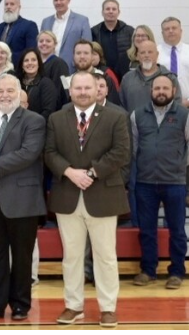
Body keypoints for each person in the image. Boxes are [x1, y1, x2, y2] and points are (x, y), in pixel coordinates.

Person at [44, 71, 130, 329]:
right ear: (70, 91)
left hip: (102, 193)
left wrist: (92, 172)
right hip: (67, 195)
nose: (82, 92)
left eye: (87, 88)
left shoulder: (116, 116)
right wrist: (69, 172)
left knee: (105, 256)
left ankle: (108, 308)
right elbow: (49, 152)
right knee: (71, 256)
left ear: (98, 90)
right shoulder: (57, 118)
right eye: (77, 88)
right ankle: (74, 306)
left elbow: (121, 153)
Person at [0, 74, 46, 323]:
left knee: (22, 256)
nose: (4, 95)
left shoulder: (33, 121)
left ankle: (21, 304)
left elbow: (28, 153)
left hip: (23, 201)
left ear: (19, 91)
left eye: (9, 91)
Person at [130, 75, 189, 290]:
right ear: (151, 90)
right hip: (145, 182)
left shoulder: (185, 115)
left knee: (177, 230)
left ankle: (177, 272)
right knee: (147, 230)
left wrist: (179, 165)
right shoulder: (137, 115)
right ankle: (148, 270)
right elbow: (133, 146)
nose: (161, 91)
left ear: (173, 91)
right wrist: (145, 163)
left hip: (175, 183)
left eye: (165, 88)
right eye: (157, 88)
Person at [156, 16, 189, 208]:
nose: (170, 31)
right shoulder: (157, 53)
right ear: (162, 33)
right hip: (161, 108)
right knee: (161, 149)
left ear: (180, 30)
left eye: (174, 28)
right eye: (167, 29)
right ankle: (161, 194)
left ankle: (188, 193)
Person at [120, 40, 181, 114]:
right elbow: (121, 107)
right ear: (137, 56)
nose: (146, 55)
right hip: (133, 124)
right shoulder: (127, 79)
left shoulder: (170, 78)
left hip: (163, 125)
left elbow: (177, 106)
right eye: (143, 52)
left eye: (150, 52)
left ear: (157, 55)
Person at [40, 0, 92, 67]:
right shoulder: (46, 22)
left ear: (68, 0)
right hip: (48, 68)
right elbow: (41, 46)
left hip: (71, 69)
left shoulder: (82, 21)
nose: (58, 2)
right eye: (56, 0)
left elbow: (87, 47)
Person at [90, 0, 134, 76]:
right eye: (107, 9)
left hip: (125, 73)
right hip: (102, 74)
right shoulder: (94, 32)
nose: (111, 11)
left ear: (118, 12)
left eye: (114, 9)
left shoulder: (130, 31)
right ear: (102, 12)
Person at [71, 40, 122, 106]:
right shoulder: (68, 81)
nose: (82, 56)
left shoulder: (105, 79)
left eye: (86, 53)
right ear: (73, 56)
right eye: (78, 53)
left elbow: (114, 107)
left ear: (92, 56)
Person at [0, 0, 40, 64]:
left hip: (20, 70)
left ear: (19, 7)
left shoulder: (29, 26)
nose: (8, 7)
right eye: (6, 4)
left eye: (12, 4)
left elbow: (31, 52)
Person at [17, 49, 59, 120]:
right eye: (26, 60)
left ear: (39, 63)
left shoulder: (46, 84)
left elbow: (48, 111)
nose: (30, 63)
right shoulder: (16, 83)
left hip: (38, 126)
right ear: (22, 65)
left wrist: (34, 124)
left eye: (33, 60)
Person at [37, 30, 70, 102]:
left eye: (48, 41)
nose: (44, 43)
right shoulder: (35, 64)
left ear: (55, 44)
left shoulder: (59, 63)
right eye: (41, 41)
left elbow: (63, 90)